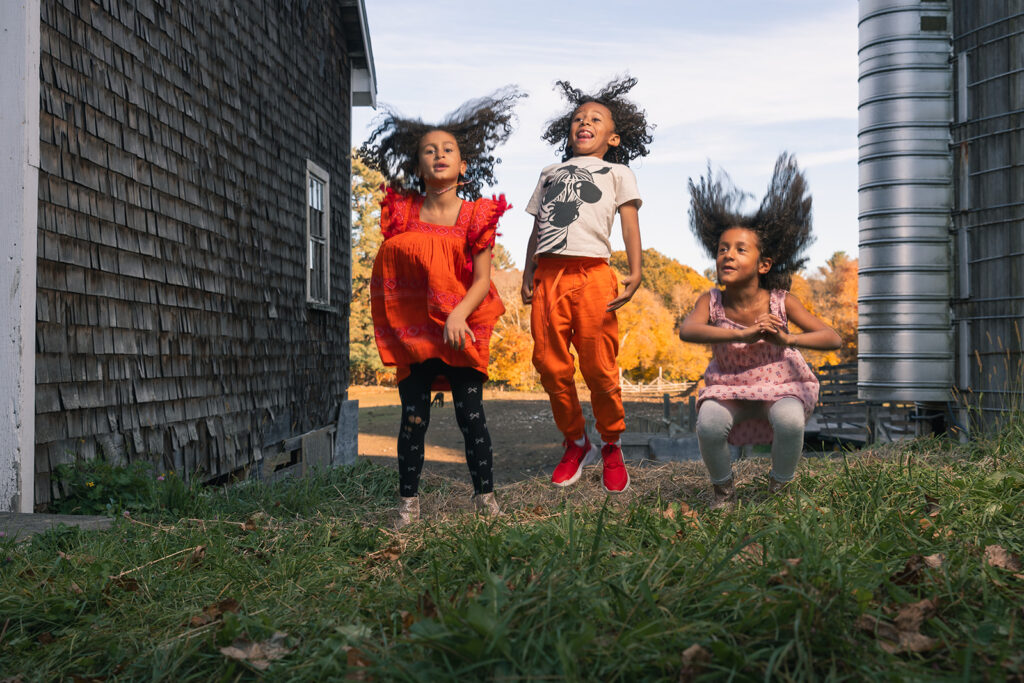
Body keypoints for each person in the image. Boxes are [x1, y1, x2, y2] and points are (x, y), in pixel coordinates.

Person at [359, 88, 525, 527]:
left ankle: (485, 502)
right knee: (413, 417)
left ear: (463, 165)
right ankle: (408, 507)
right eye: (429, 150)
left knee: (470, 415)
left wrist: (457, 314)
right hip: (415, 330)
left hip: (462, 324)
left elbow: (483, 279)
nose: (438, 154)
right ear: (417, 165)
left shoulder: (476, 216)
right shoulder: (403, 211)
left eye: (447, 149)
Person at [678, 154, 842, 508]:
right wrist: (745, 334)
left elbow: (833, 338)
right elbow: (687, 331)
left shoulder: (782, 301)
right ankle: (724, 493)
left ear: (763, 264)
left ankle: (779, 490)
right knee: (708, 425)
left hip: (780, 384)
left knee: (790, 421)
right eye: (722, 249)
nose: (728, 255)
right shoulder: (711, 300)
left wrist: (787, 339)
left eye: (740, 249)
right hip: (729, 385)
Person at [521, 77, 654, 493]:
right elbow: (539, 227)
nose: (584, 122)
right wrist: (528, 271)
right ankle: (576, 441)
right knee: (548, 363)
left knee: (599, 367)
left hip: (595, 276)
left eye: (595, 119)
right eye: (578, 118)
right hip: (549, 277)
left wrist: (636, 270)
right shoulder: (549, 172)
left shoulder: (617, 172)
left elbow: (630, 225)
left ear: (612, 137)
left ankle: (611, 443)